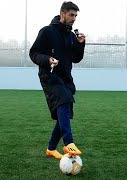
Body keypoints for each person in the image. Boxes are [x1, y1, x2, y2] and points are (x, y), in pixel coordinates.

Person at [29, 1, 85, 160]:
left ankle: (51, 149)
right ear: (62, 14)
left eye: (75, 15)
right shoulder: (47, 31)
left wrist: (81, 44)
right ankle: (68, 143)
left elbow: (76, 58)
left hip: (66, 78)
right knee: (64, 101)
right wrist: (47, 59)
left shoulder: (71, 35)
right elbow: (33, 53)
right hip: (49, 75)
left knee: (65, 114)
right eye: (71, 15)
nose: (74, 18)